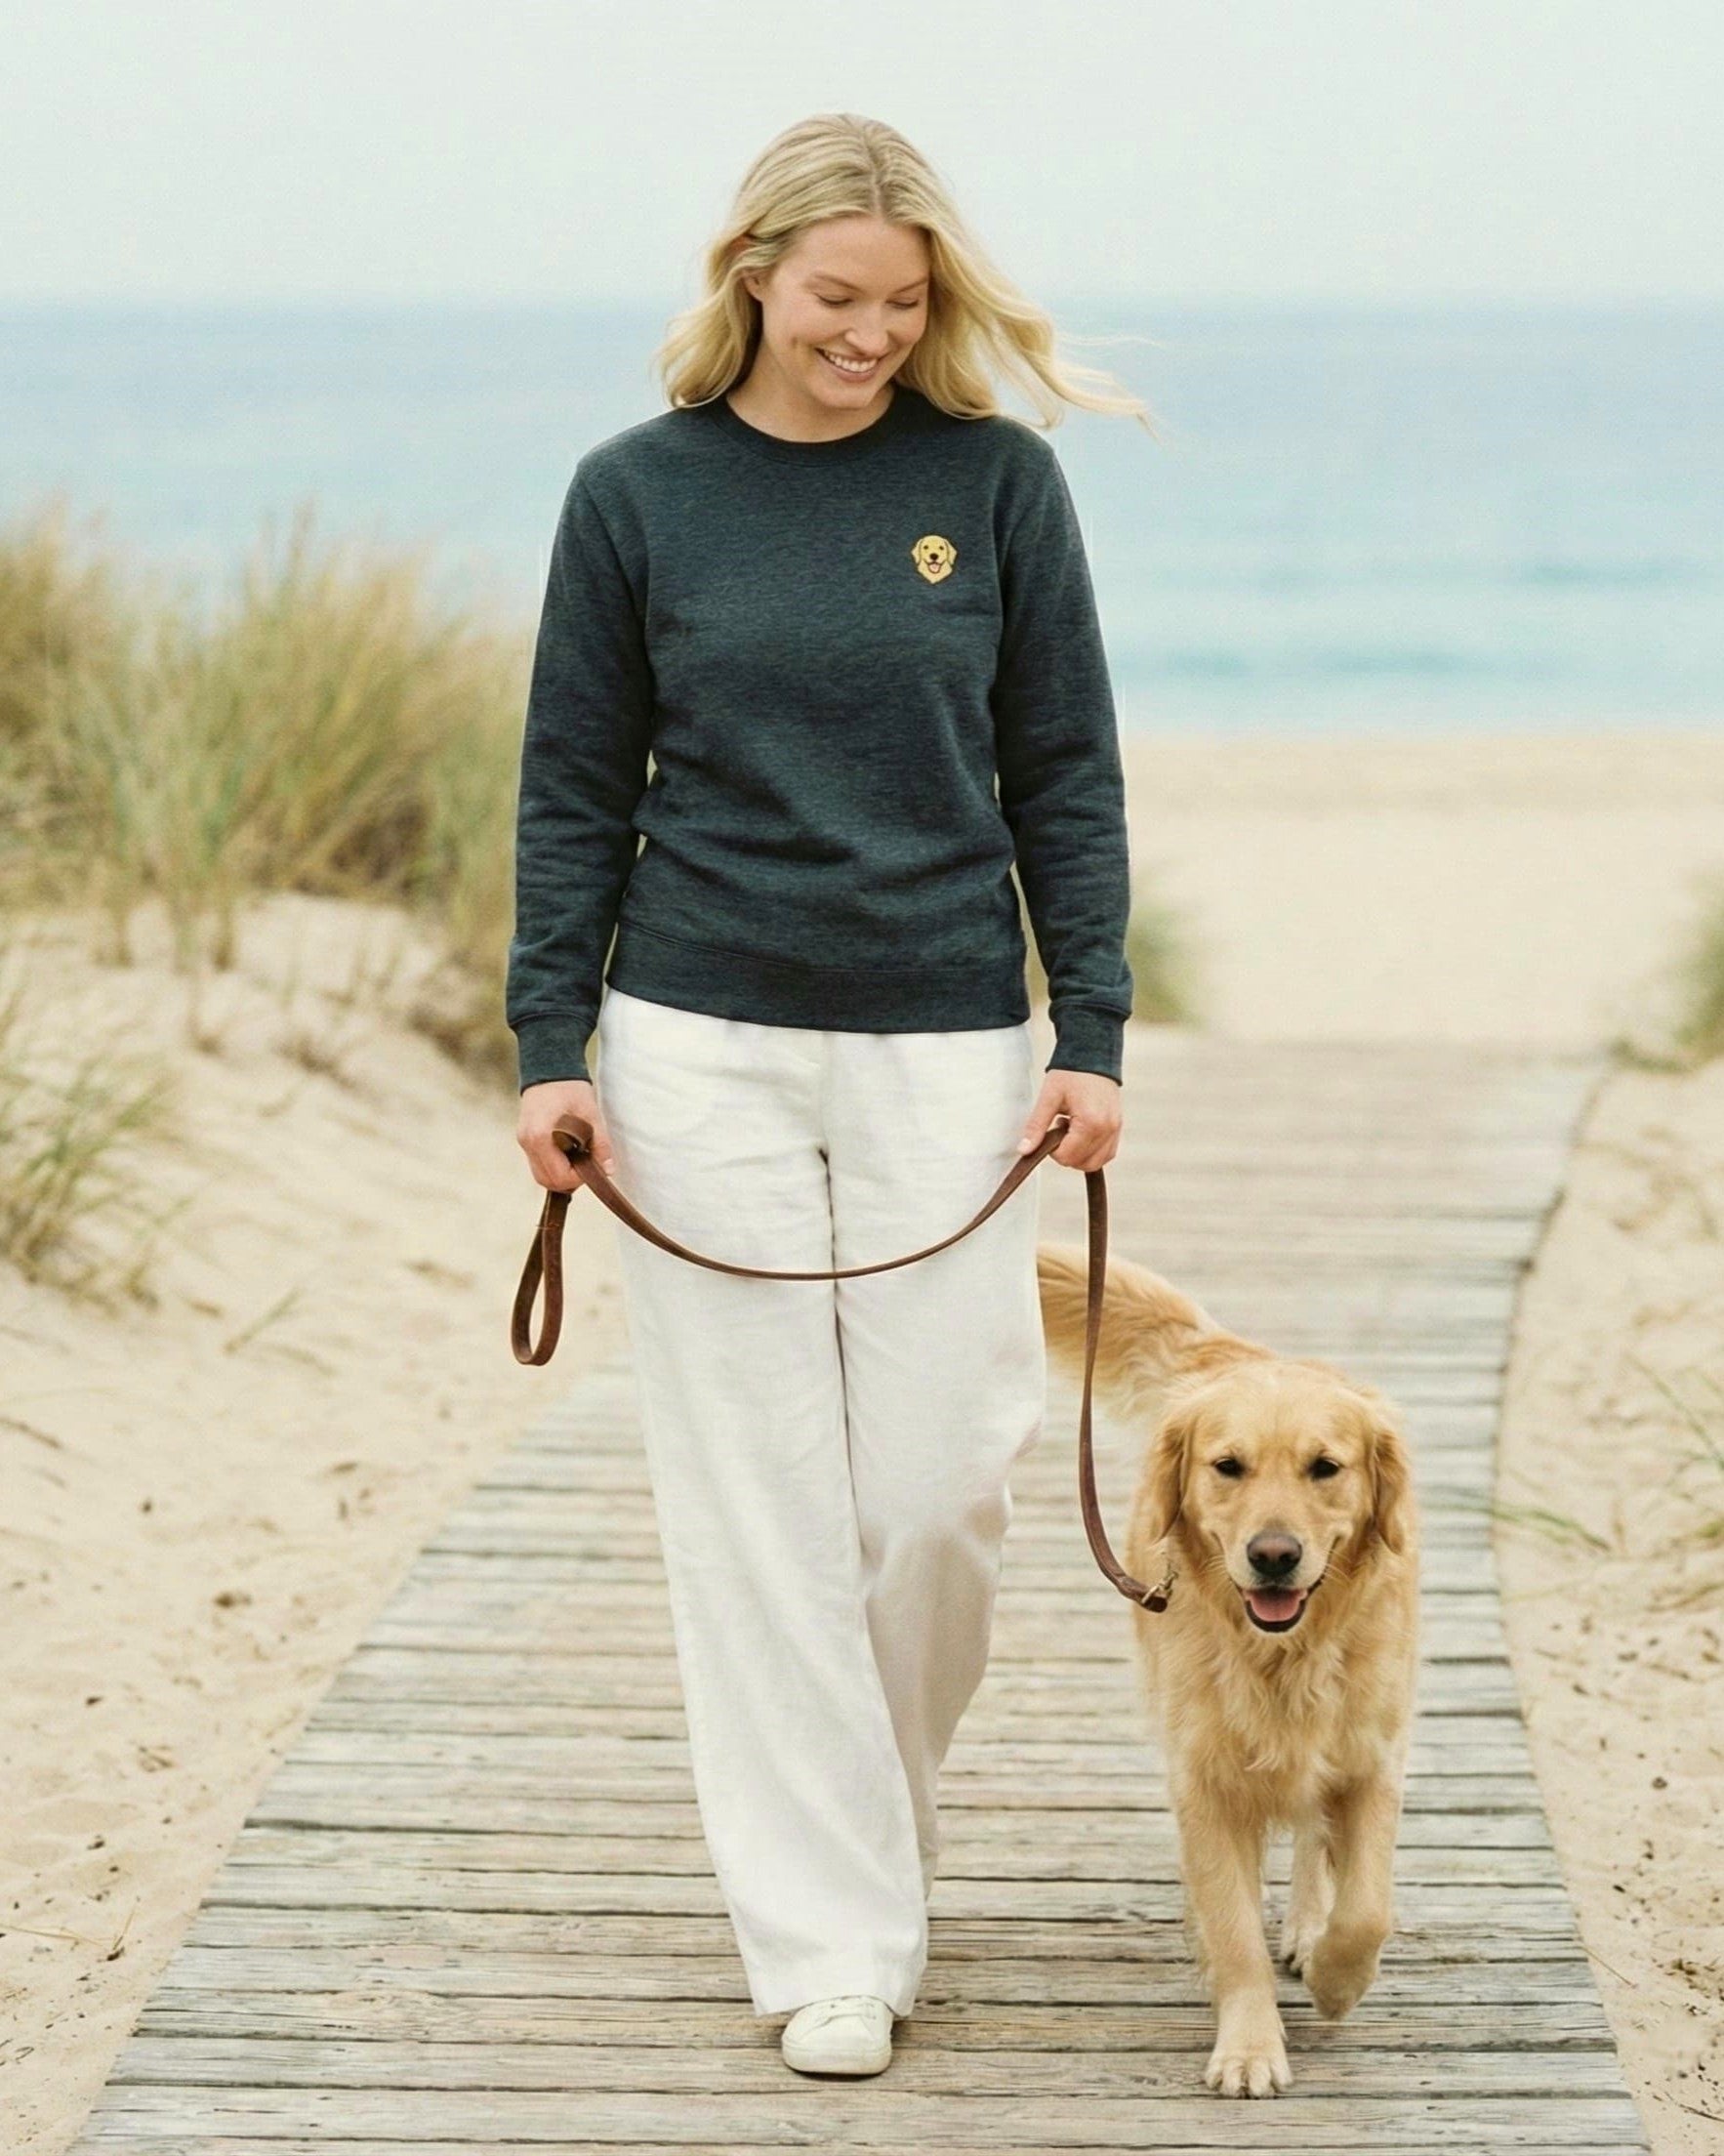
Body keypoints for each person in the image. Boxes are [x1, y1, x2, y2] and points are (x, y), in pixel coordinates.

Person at [507, 111, 1152, 2079]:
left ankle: (871, 1844)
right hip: (694, 1044)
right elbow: (569, 790)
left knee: (937, 1490)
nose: (869, 333)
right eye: (836, 298)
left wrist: (1092, 1031)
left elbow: (1065, 773)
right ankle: (828, 1939)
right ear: (754, 280)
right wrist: (551, 1048)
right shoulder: (634, 496)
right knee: (760, 1510)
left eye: (903, 301)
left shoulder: (998, 487)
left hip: (951, 1040)